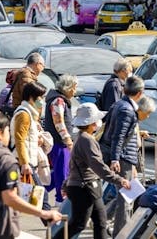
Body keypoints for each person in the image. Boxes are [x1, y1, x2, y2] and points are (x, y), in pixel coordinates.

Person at [0, 112, 62, 239]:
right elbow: (10, 198)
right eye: (8, 130)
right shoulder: (6, 162)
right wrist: (43, 213)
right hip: (0, 228)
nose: (9, 134)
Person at [53, 103, 130, 239]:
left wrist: (66, 183)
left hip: (89, 187)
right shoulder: (86, 140)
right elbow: (97, 165)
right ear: (92, 123)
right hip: (84, 188)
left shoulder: (81, 137)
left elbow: (75, 164)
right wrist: (119, 179)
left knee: (100, 222)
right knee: (79, 223)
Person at [102, 75, 146, 237]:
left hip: (123, 157)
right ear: (140, 92)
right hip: (123, 158)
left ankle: (104, 218)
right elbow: (118, 136)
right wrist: (115, 158)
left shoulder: (119, 104)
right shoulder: (127, 110)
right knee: (126, 198)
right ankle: (121, 234)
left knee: (127, 194)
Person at [10, 81, 51, 219]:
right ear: (32, 97)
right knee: (40, 195)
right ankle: (53, 225)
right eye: (41, 97)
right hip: (24, 162)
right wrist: (25, 163)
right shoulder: (24, 114)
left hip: (27, 160)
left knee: (33, 196)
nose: (42, 101)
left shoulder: (29, 114)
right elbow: (19, 139)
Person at [43, 74, 78, 204]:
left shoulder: (60, 99)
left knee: (60, 171)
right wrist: (68, 140)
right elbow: (59, 123)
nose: (75, 91)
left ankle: (39, 192)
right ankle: (60, 199)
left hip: (60, 142)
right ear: (68, 88)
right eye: (74, 87)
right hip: (59, 142)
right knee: (62, 173)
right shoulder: (58, 101)